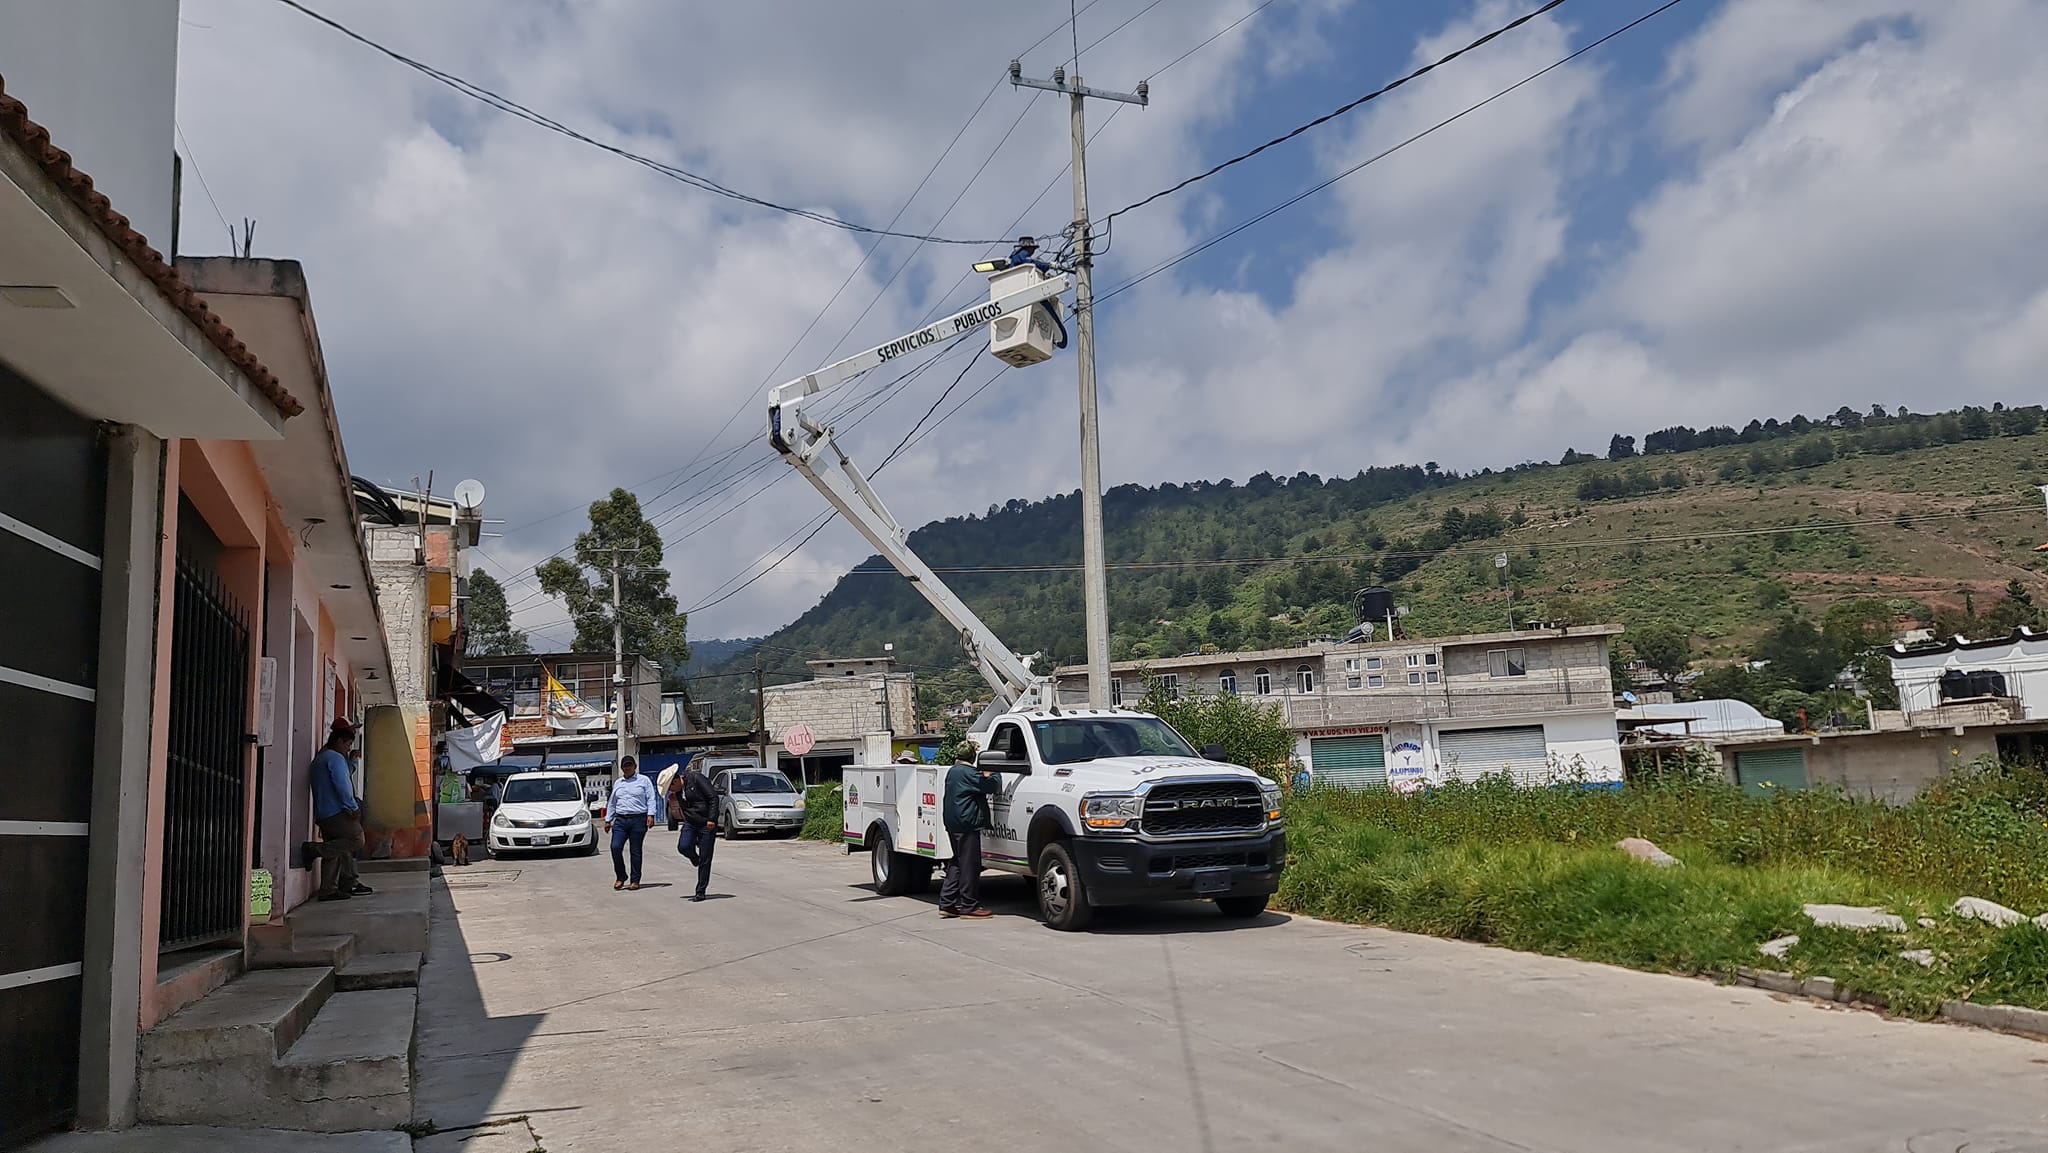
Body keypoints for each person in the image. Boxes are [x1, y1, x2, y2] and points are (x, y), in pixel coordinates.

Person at [306, 719, 370, 902]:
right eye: (348, 744)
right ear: (340, 741)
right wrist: (352, 807)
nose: (349, 748)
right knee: (356, 839)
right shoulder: (334, 757)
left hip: (323, 813)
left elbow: (342, 774)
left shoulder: (323, 756)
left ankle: (328, 888)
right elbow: (342, 785)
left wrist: (353, 762)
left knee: (335, 849)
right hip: (337, 812)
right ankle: (313, 850)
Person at [939, 741, 1002, 919]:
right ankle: (969, 906)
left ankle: (947, 903)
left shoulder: (954, 771)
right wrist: (994, 773)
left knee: (958, 862)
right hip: (967, 823)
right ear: (972, 756)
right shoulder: (968, 773)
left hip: (954, 823)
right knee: (970, 866)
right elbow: (991, 786)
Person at [607, 756, 662, 891]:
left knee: (635, 850)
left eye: (630, 765)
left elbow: (651, 798)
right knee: (615, 847)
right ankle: (621, 876)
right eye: (625, 766)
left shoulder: (644, 780)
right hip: (620, 820)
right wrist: (608, 819)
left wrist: (651, 815)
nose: (627, 768)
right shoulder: (618, 783)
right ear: (621, 768)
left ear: (635, 766)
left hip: (638, 819)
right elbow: (612, 802)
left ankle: (635, 880)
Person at [670, 761, 719, 901]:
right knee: (683, 846)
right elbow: (685, 809)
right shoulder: (679, 792)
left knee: (705, 857)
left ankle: (700, 890)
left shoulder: (696, 779)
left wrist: (711, 819)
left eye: (670, 788)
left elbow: (713, 798)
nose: (671, 792)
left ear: (676, 781)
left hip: (707, 823)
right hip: (691, 823)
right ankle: (693, 857)